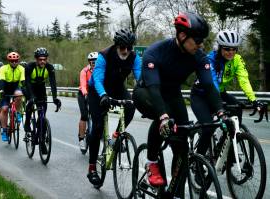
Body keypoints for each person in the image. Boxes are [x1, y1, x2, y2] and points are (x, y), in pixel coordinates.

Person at [132, 12, 224, 198]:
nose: (201, 45)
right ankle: (151, 162)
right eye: (197, 40)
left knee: (182, 146)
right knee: (163, 118)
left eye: (202, 41)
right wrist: (163, 117)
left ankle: (176, 191)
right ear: (182, 36)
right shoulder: (155, 52)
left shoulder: (198, 56)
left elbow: (208, 86)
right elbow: (154, 89)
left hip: (173, 94)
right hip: (148, 92)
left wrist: (221, 113)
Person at [190, 29, 264, 158]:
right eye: (227, 49)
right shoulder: (209, 60)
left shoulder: (237, 60)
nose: (231, 52)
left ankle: (229, 145)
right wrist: (220, 108)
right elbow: (212, 85)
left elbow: (244, 79)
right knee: (208, 129)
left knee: (237, 108)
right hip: (201, 95)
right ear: (219, 48)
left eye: (234, 49)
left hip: (221, 92)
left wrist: (254, 100)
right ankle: (198, 162)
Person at [87, 29, 141, 185]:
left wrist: (147, 96)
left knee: (131, 107)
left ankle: (115, 136)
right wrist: (103, 95)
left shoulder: (134, 57)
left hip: (117, 88)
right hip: (98, 90)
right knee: (97, 126)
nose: (126, 51)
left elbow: (141, 79)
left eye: (129, 47)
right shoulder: (104, 55)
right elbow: (97, 79)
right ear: (117, 45)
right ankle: (91, 168)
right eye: (123, 47)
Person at [24, 47, 61, 153]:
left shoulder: (49, 67)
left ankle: (41, 141)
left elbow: (53, 83)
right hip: (30, 87)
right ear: (36, 59)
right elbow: (27, 82)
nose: (42, 61)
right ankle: (27, 122)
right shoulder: (29, 66)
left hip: (41, 88)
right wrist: (31, 97)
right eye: (40, 59)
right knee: (31, 104)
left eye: (44, 59)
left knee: (42, 116)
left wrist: (55, 98)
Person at [0, 52, 25, 142]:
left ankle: (17, 112)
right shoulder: (3, 68)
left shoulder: (21, 68)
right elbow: (1, 81)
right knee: (5, 109)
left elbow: (23, 81)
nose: (14, 62)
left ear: (18, 61)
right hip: (5, 88)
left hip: (15, 87)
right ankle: (4, 130)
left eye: (16, 61)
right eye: (12, 61)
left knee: (19, 95)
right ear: (9, 61)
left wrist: (26, 91)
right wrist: (1, 91)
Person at [77, 52, 98, 151]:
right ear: (89, 62)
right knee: (84, 115)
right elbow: (83, 85)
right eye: (93, 62)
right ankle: (81, 138)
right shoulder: (84, 71)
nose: (95, 64)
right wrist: (85, 94)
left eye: (97, 62)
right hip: (83, 93)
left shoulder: (102, 70)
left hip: (95, 94)